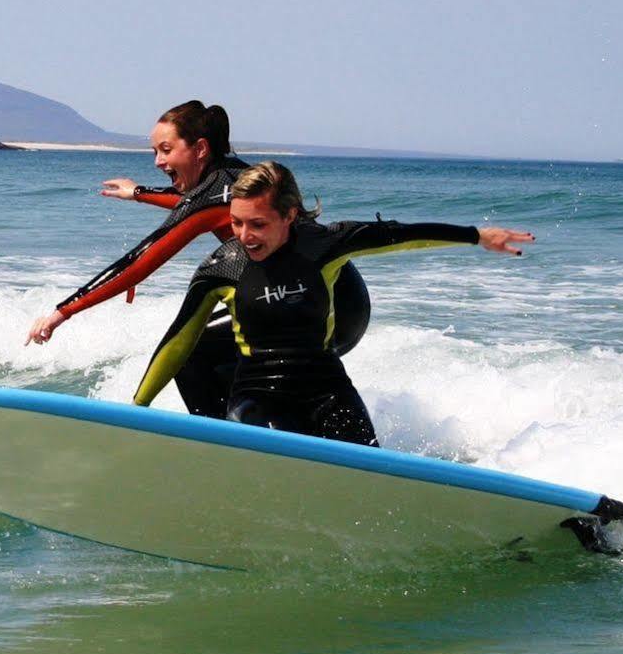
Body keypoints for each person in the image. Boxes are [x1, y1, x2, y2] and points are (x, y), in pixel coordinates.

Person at [133, 161, 533, 447]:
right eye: (237, 222)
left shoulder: (321, 245)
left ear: (290, 215)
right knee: (272, 451)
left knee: (368, 470)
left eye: (258, 224)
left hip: (327, 390)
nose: (244, 235)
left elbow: (400, 236)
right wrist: (138, 409)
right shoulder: (223, 267)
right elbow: (178, 343)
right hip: (258, 395)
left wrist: (476, 236)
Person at [26, 101, 370, 419]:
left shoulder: (213, 196)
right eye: (155, 151)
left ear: (200, 149)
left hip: (319, 309)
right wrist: (140, 194)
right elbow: (193, 203)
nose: (158, 161)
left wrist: (61, 312)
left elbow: (141, 258)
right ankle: (265, 438)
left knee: (194, 353)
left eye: (166, 150)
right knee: (222, 358)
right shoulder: (234, 176)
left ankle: (228, 445)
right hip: (342, 299)